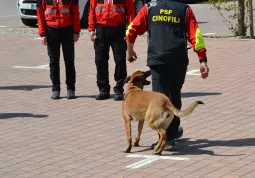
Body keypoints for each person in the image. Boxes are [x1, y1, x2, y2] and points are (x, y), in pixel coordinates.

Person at [125, 0, 209, 150]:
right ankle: (172, 132)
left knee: (161, 97)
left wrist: (130, 50)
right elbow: (195, 34)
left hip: (158, 59)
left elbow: (132, 29)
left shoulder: (150, 8)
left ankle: (167, 138)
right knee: (174, 95)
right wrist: (202, 59)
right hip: (178, 60)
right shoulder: (184, 9)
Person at [88, 0, 135, 101]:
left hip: (118, 30)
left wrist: (130, 32)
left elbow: (131, 12)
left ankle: (119, 89)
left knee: (120, 61)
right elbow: (92, 9)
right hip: (101, 29)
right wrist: (91, 29)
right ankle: (103, 90)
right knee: (100, 61)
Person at [36, 0, 81, 100]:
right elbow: (40, 13)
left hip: (67, 29)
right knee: (53, 62)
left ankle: (70, 89)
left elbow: (75, 12)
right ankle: (55, 89)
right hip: (51, 30)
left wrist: (76, 31)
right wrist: (42, 33)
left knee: (69, 60)